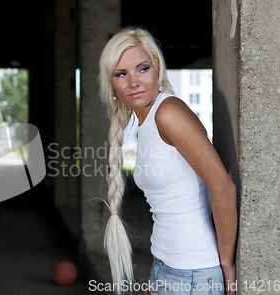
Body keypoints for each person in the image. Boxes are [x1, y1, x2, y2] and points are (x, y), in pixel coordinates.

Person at [99, 27, 237, 295]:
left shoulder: (168, 113)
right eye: (121, 74)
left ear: (158, 68)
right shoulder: (147, 121)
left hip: (194, 272)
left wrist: (227, 263)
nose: (134, 82)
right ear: (112, 83)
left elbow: (223, 188)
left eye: (142, 68)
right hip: (165, 264)